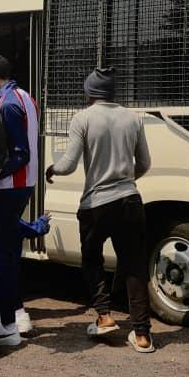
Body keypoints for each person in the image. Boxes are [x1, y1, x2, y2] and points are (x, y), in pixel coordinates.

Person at [45, 67, 154, 353]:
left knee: (92, 259)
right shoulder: (133, 118)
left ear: (89, 93)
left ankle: (104, 316)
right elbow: (144, 163)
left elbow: (68, 164)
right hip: (131, 201)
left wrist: (52, 169)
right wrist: (126, 181)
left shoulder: (83, 118)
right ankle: (142, 335)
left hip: (96, 205)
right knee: (134, 265)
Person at [0, 54, 39, 346]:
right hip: (23, 185)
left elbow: (20, 153)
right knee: (10, 250)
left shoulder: (7, 104)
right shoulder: (24, 96)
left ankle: (8, 327)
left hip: (8, 186)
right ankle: (13, 315)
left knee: (1, 254)